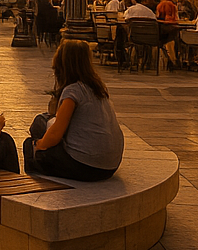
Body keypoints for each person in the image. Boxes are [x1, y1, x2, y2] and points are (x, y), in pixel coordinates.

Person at [24, 39, 124, 181]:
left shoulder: (73, 91)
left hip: (85, 166)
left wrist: (37, 146)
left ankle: (37, 166)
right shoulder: (98, 89)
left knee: (33, 137)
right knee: (43, 119)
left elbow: (55, 135)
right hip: (111, 166)